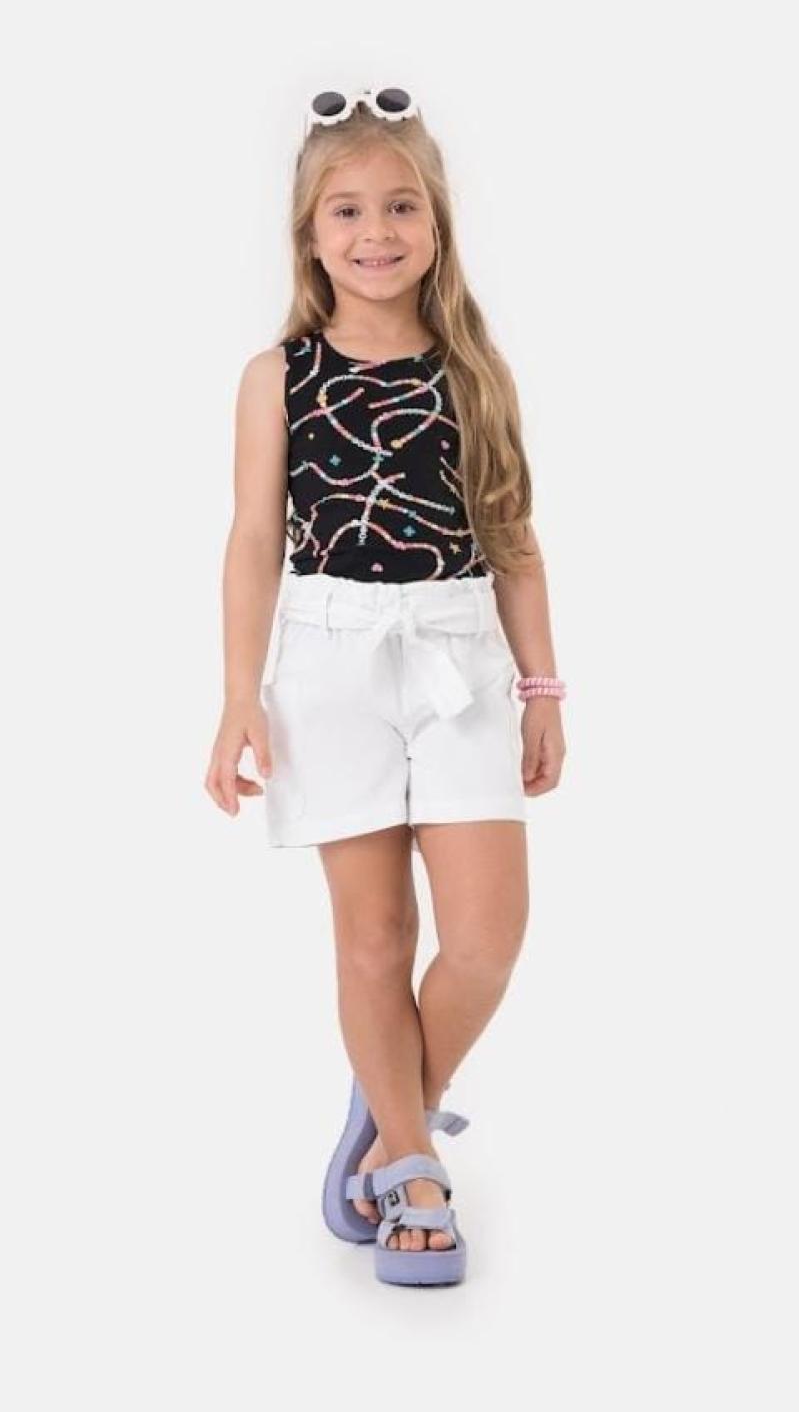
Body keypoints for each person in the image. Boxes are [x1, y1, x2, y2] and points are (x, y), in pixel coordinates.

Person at [205, 86, 567, 1286]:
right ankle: (411, 1164)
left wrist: (542, 688)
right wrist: (238, 693)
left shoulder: (474, 369)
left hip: (459, 655)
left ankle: (386, 1108)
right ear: (309, 236)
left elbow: (512, 536)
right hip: (328, 659)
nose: (376, 231)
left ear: (437, 222)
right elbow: (254, 539)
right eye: (348, 210)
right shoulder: (279, 375)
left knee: (486, 938)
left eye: (401, 205)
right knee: (374, 936)